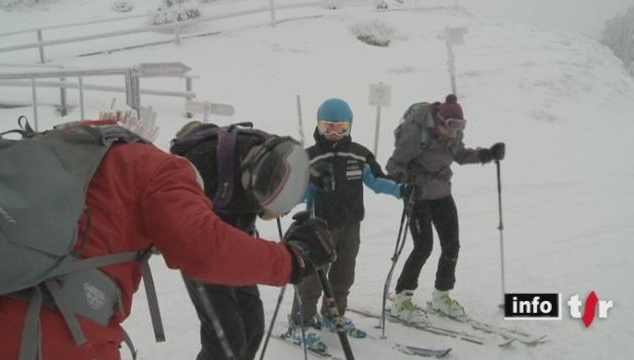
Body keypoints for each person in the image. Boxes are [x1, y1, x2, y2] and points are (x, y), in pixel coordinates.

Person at [0, 119, 335, 360]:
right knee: (228, 338)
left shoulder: (84, 144)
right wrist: (292, 260)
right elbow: (203, 246)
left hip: (17, 291)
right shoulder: (167, 170)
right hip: (60, 331)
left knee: (247, 326)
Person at [169, 121, 308, 360]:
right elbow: (171, 220)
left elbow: (274, 202)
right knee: (227, 341)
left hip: (238, 247)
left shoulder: (273, 154)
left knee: (253, 325)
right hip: (202, 253)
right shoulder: (200, 166)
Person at [287, 98, 403, 351]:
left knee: (344, 275)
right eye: (328, 128)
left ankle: (332, 315)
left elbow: (377, 180)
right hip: (318, 228)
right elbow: (294, 194)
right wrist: (312, 183)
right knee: (313, 278)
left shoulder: (359, 154)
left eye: (340, 128)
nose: (334, 134)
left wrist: (402, 190)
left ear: (350, 127)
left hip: (350, 226)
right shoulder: (309, 157)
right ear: (318, 126)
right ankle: (300, 322)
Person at [386, 94, 505, 323]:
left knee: (452, 245)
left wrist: (488, 154)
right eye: (452, 125)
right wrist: (407, 183)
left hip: (442, 193)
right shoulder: (415, 133)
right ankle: (402, 300)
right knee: (423, 247)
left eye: (461, 126)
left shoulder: (454, 135)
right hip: (417, 195)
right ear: (440, 121)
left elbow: (460, 155)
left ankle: (441, 296)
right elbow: (394, 166)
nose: (456, 130)